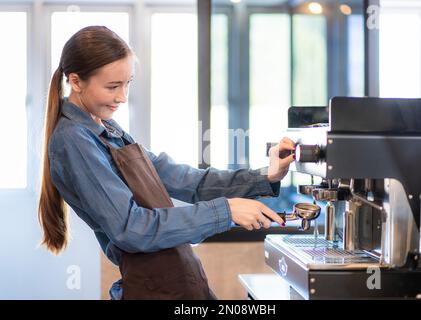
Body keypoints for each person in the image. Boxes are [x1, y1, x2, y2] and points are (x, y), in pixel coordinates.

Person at [38, 26, 295, 300]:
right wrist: (226, 211)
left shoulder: (109, 130)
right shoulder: (73, 140)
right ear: (76, 82)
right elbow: (132, 228)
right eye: (112, 86)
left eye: (128, 83)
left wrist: (266, 176)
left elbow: (191, 182)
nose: (122, 97)